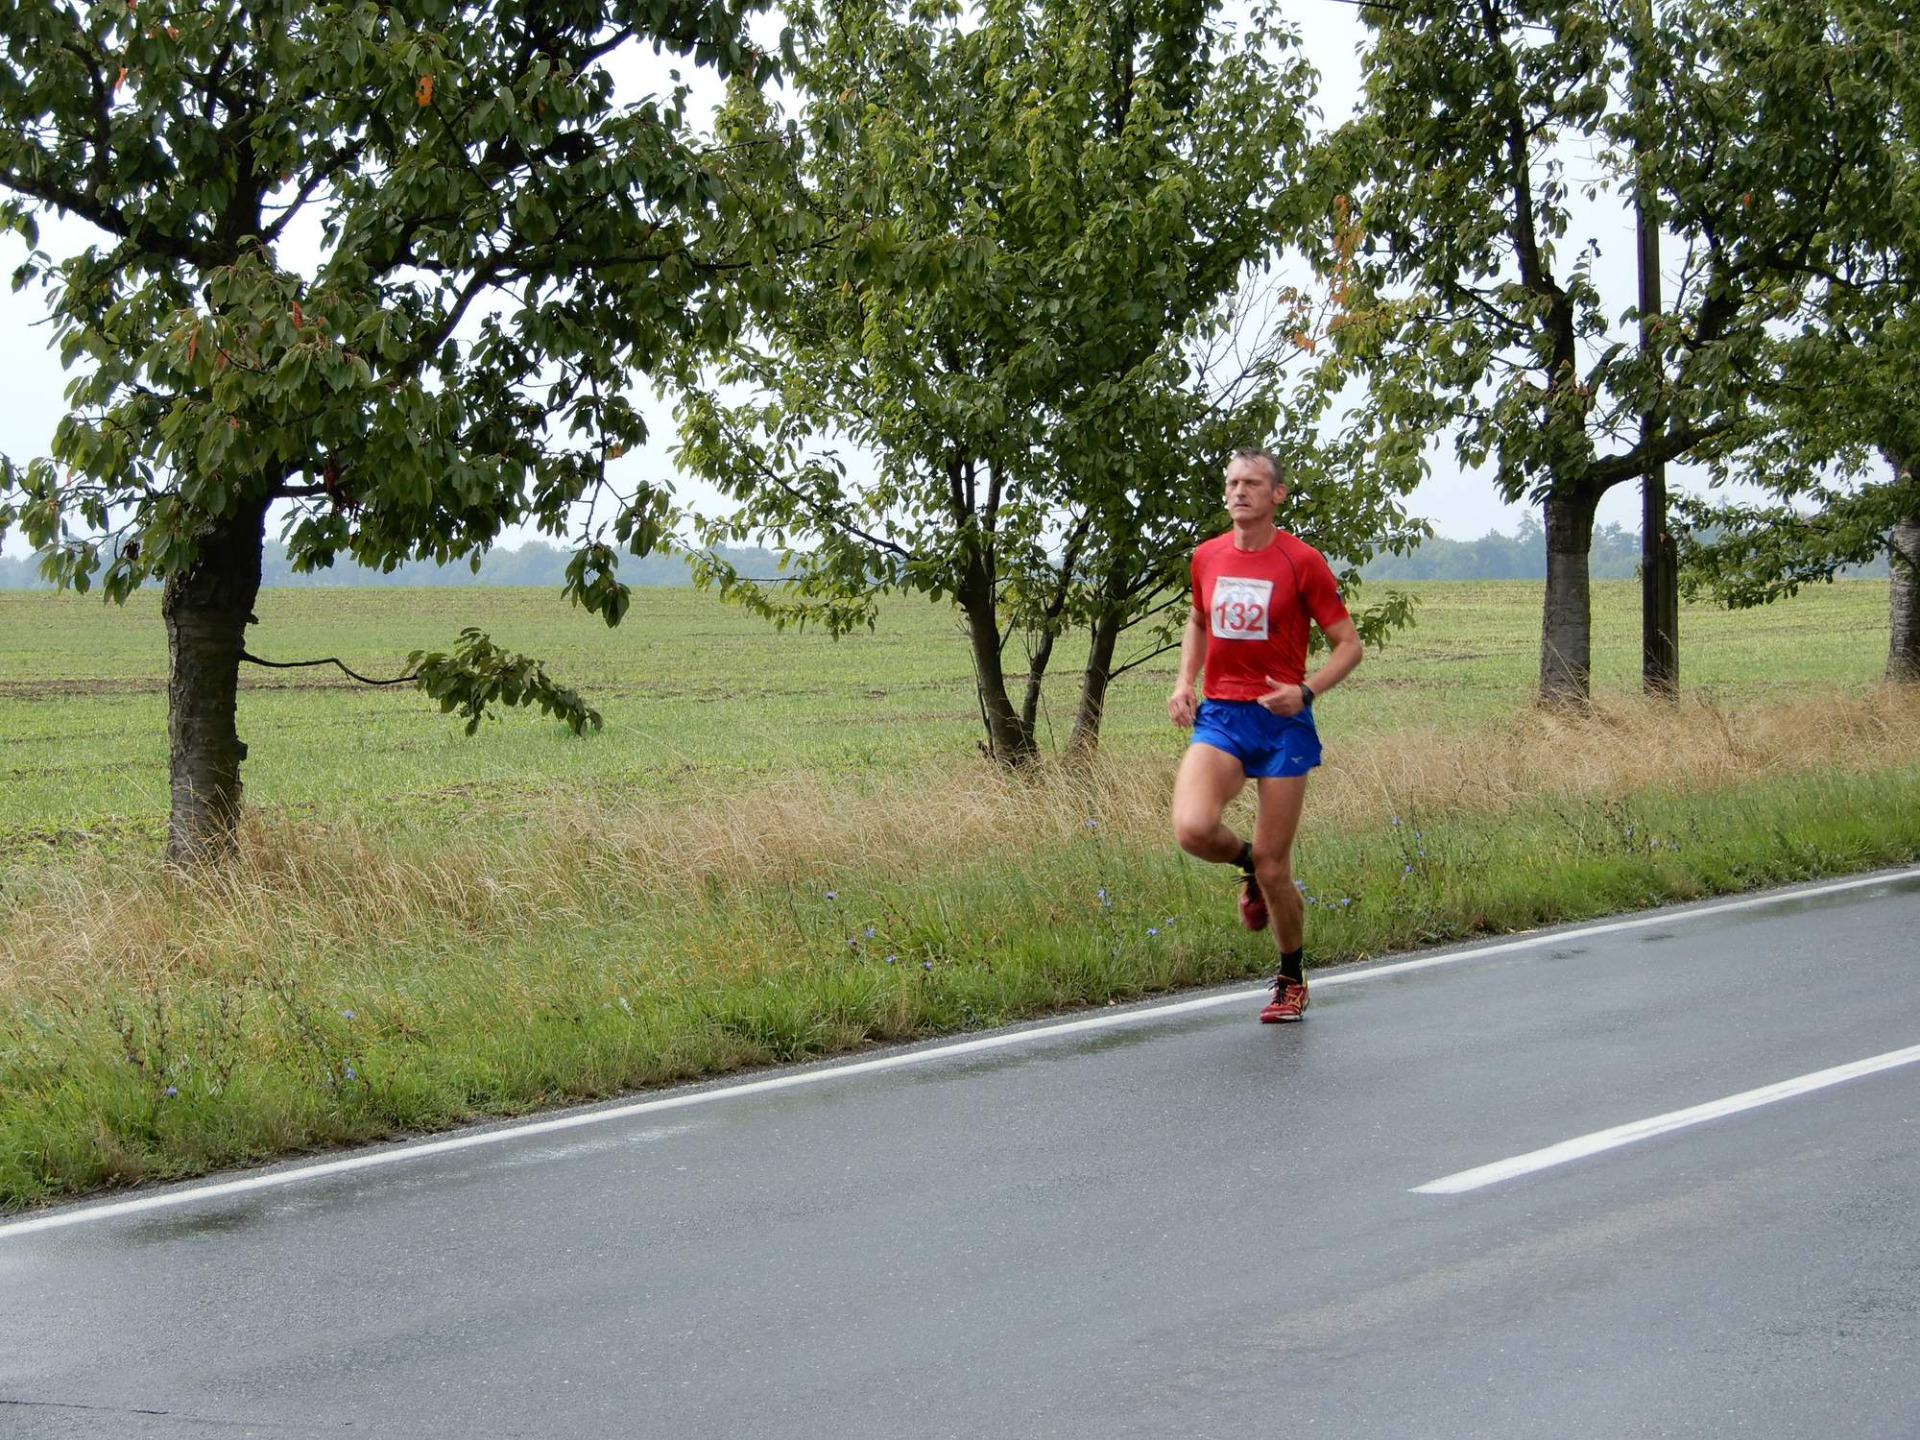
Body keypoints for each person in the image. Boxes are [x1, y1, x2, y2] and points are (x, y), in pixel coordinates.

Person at [1169, 447, 1365, 1022]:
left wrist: (1306, 691)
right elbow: (1199, 620)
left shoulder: (1301, 561)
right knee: (1192, 828)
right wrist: (1184, 682)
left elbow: (1349, 646)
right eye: (1232, 482)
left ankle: (1290, 978)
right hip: (1222, 716)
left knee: (1278, 867)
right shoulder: (1206, 556)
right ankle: (1246, 864)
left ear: (1277, 494)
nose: (1239, 492)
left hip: (1282, 722)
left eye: (1252, 483)